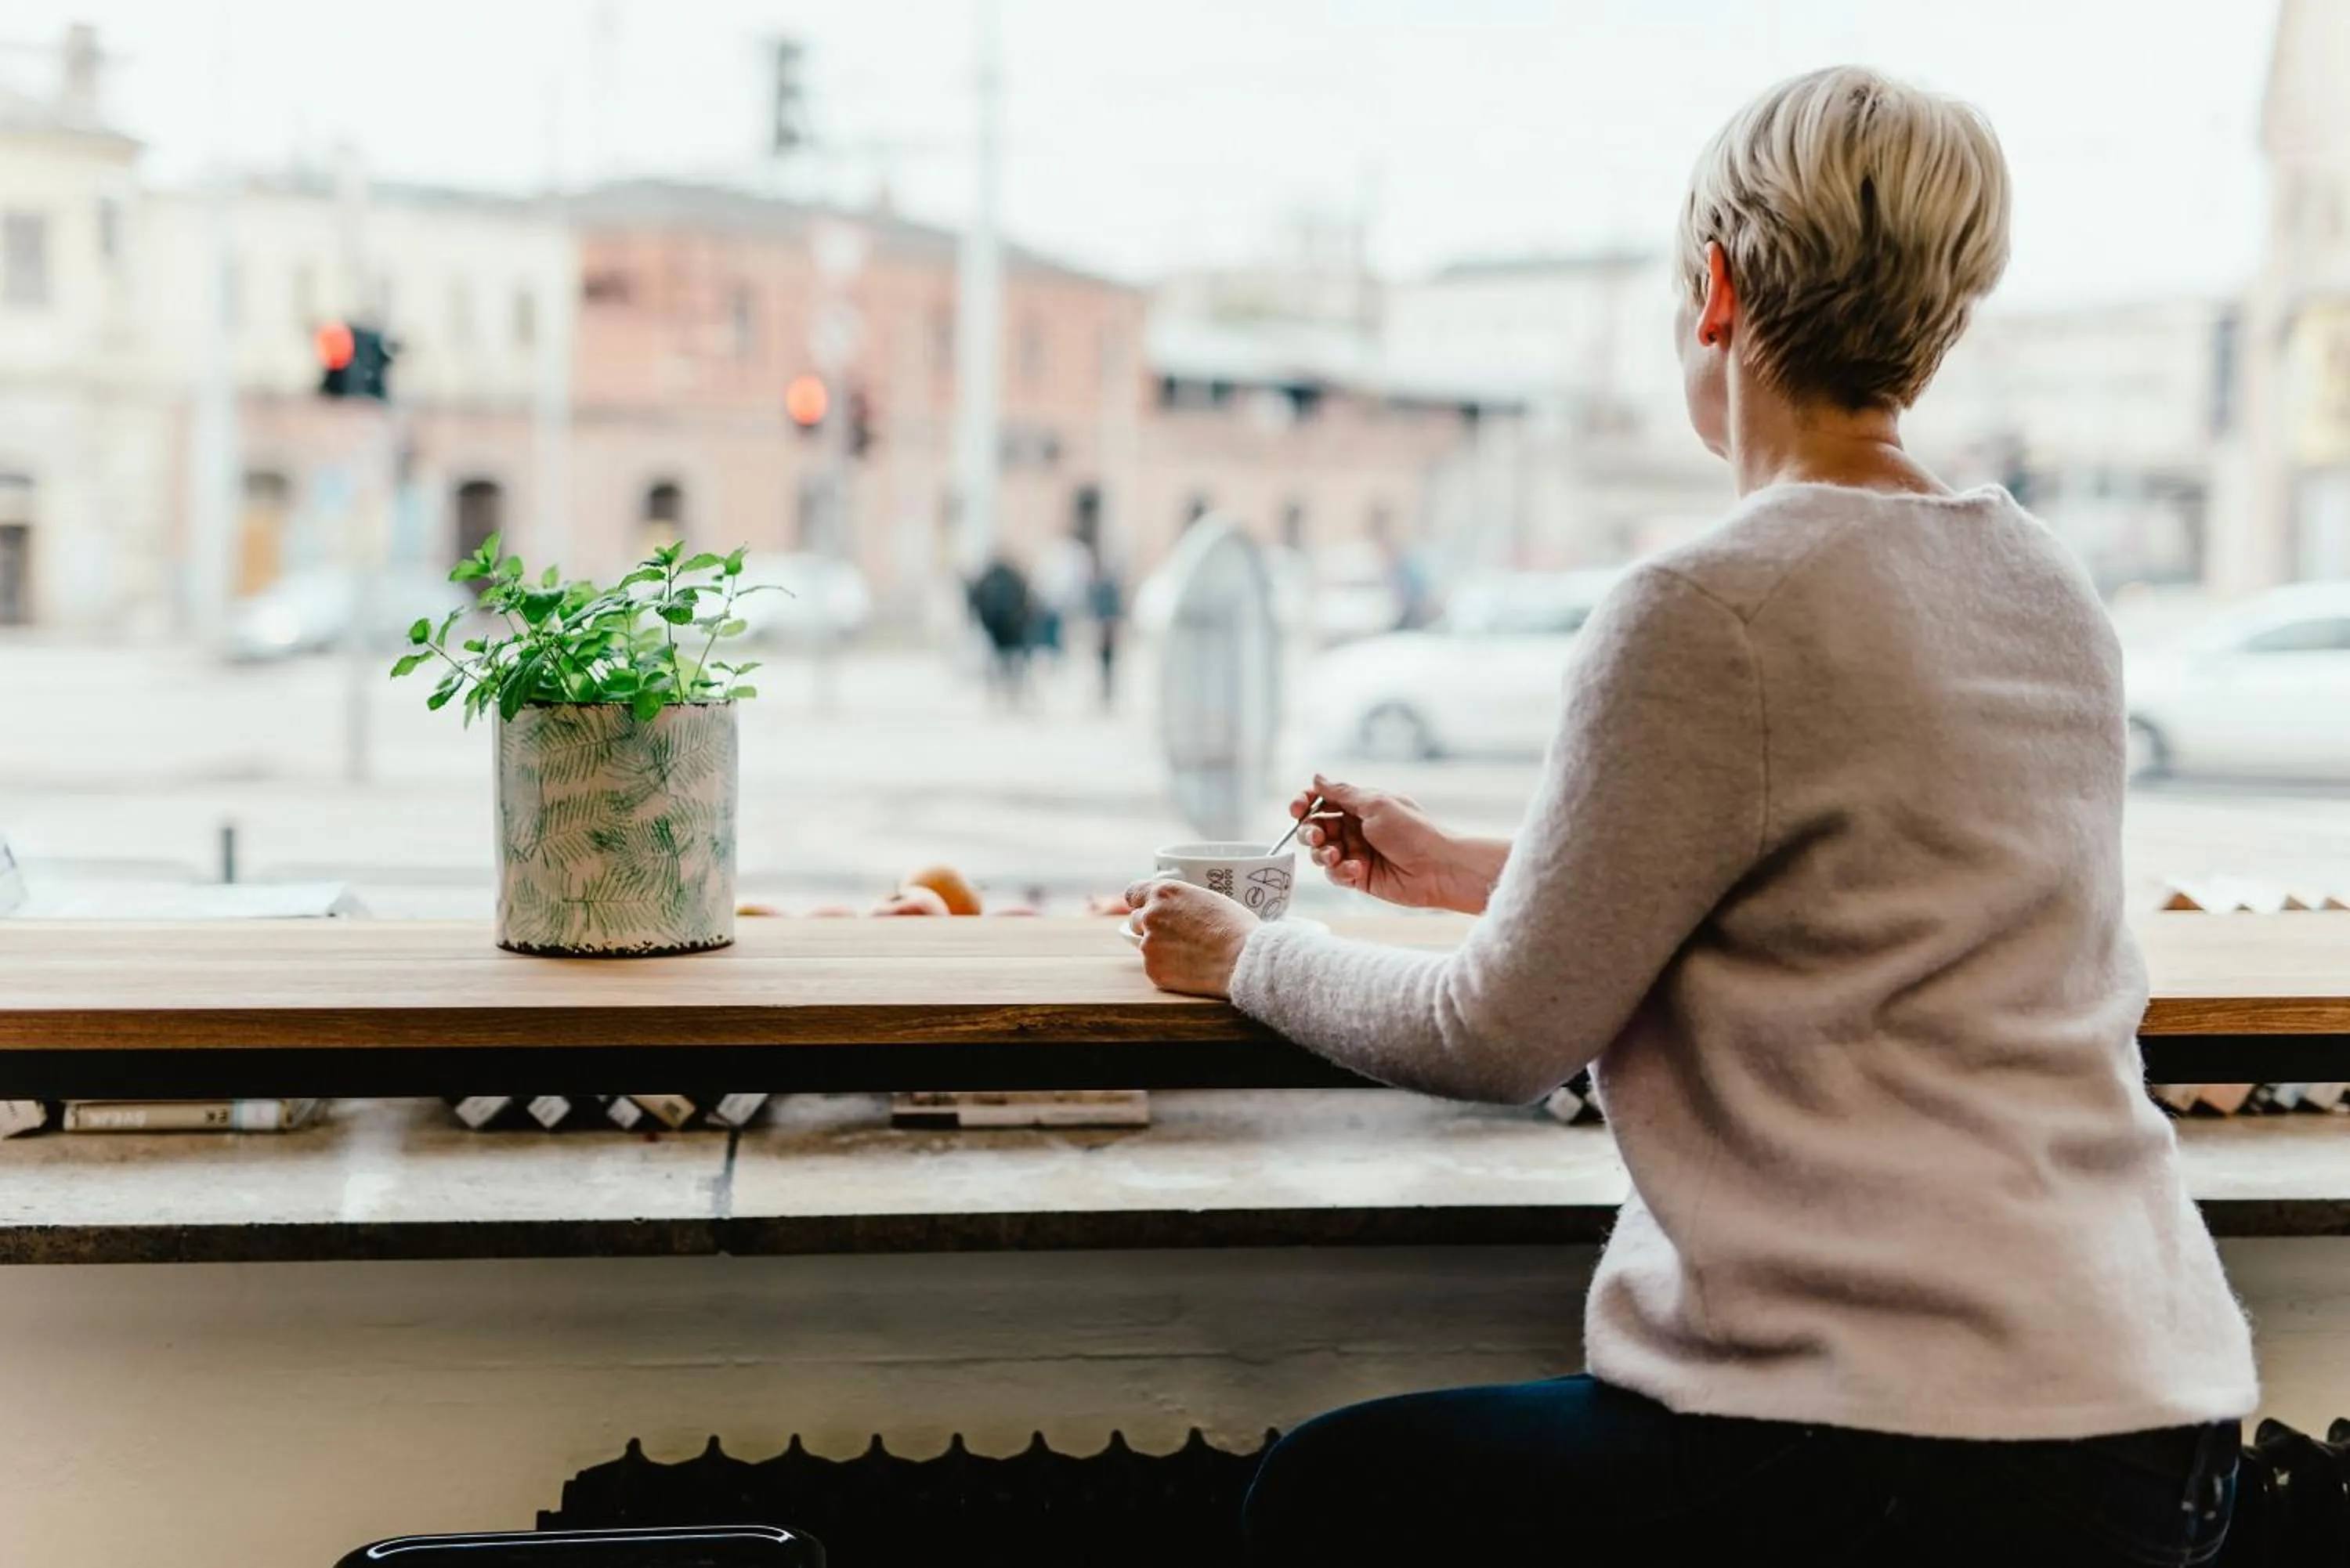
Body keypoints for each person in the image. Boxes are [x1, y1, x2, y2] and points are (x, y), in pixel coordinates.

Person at [1124, 67, 2254, 1567]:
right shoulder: (2043, 583)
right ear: (1945, 314)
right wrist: (1477, 871)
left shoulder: (1707, 601)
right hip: (2148, 1419)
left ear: (1714, 290)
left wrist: (1239, 956)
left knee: (1332, 1494)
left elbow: (1498, 1037)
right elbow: (1875, 891)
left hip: (1899, 1438)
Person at [966, 556, 1032, 708]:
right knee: (1014, 663)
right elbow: (1028, 601)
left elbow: (976, 600)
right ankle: (1014, 693)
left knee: (995, 663)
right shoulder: (1015, 578)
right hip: (1013, 630)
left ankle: (995, 695)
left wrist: (985, 623)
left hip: (995, 630)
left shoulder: (987, 579)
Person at [1086, 554, 1125, 713]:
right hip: (1101, 628)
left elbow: (1111, 609)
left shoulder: (1105, 587)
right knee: (1102, 663)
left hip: (1107, 628)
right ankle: (1103, 692)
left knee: (1108, 663)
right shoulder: (1097, 586)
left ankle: (1107, 692)